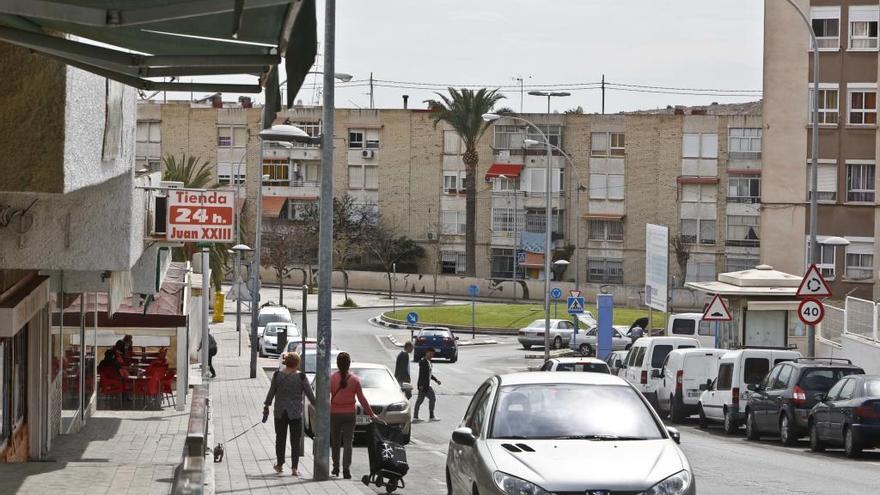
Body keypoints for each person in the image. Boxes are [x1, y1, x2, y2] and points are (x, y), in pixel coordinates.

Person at [263, 352, 315, 476]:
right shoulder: (301, 377)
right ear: (297, 363)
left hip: (280, 412)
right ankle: (294, 468)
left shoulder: (277, 375)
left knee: (280, 439)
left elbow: (271, 392)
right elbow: (310, 396)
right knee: (295, 441)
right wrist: (318, 405)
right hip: (295, 413)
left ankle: (280, 465)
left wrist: (267, 405)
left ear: (286, 362)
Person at [330, 352, 377, 479]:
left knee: (335, 441)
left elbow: (325, 397)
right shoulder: (355, 380)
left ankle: (335, 467)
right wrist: (372, 414)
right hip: (349, 414)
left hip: (334, 413)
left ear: (338, 364)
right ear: (349, 364)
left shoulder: (332, 378)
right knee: (348, 442)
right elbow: (362, 399)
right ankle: (346, 469)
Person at [413, 348, 442, 422]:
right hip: (423, 385)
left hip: (426, 385)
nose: (431, 355)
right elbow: (422, 375)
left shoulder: (428, 362)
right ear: (426, 353)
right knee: (427, 399)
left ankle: (416, 417)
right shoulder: (424, 362)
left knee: (421, 400)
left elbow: (429, 374)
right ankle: (429, 416)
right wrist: (421, 385)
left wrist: (436, 380)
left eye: (432, 354)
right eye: (430, 353)